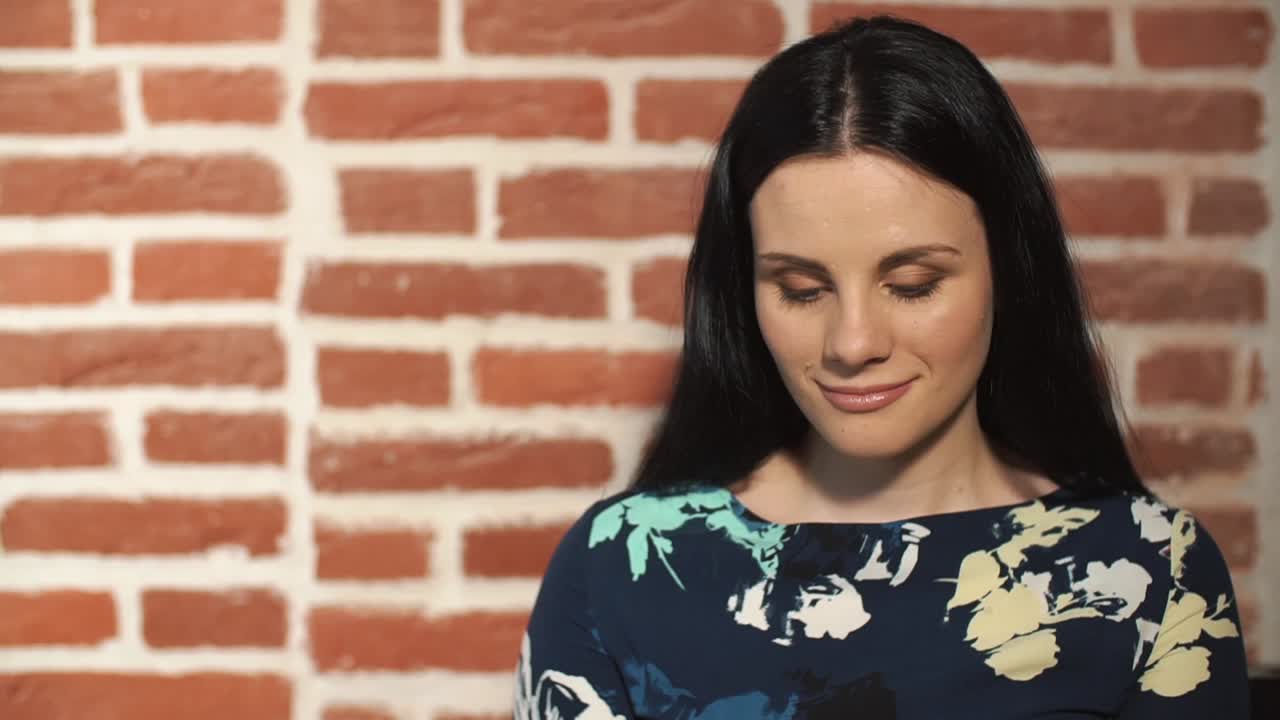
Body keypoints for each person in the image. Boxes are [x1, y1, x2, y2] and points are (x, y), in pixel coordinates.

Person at [514, 15, 1250, 719]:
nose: (853, 342)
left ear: (1008, 270)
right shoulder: (623, 568)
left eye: (913, 285)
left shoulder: (1150, 572)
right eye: (801, 289)